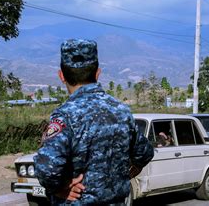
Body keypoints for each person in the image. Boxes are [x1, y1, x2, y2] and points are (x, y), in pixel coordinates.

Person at [34, 39, 154, 205]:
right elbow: (145, 153)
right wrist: (128, 173)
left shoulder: (65, 116)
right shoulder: (121, 111)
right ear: (98, 73)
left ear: (61, 75)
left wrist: (61, 188)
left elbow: (46, 169)